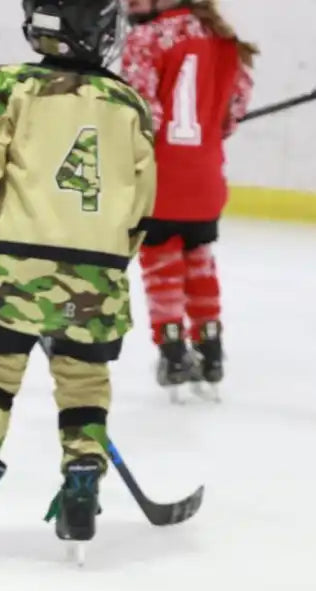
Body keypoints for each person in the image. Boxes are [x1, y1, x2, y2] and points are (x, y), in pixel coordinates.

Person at [0, 0, 156, 559]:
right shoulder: (128, 102)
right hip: (99, 272)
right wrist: (107, 262)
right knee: (84, 383)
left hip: (15, 264)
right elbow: (141, 205)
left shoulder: (7, 85)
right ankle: (81, 496)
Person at [121, 0, 257, 397]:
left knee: (160, 263)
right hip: (206, 179)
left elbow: (142, 116)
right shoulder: (223, 38)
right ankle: (211, 347)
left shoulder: (146, 39)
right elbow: (234, 112)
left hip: (161, 180)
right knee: (198, 260)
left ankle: (173, 350)